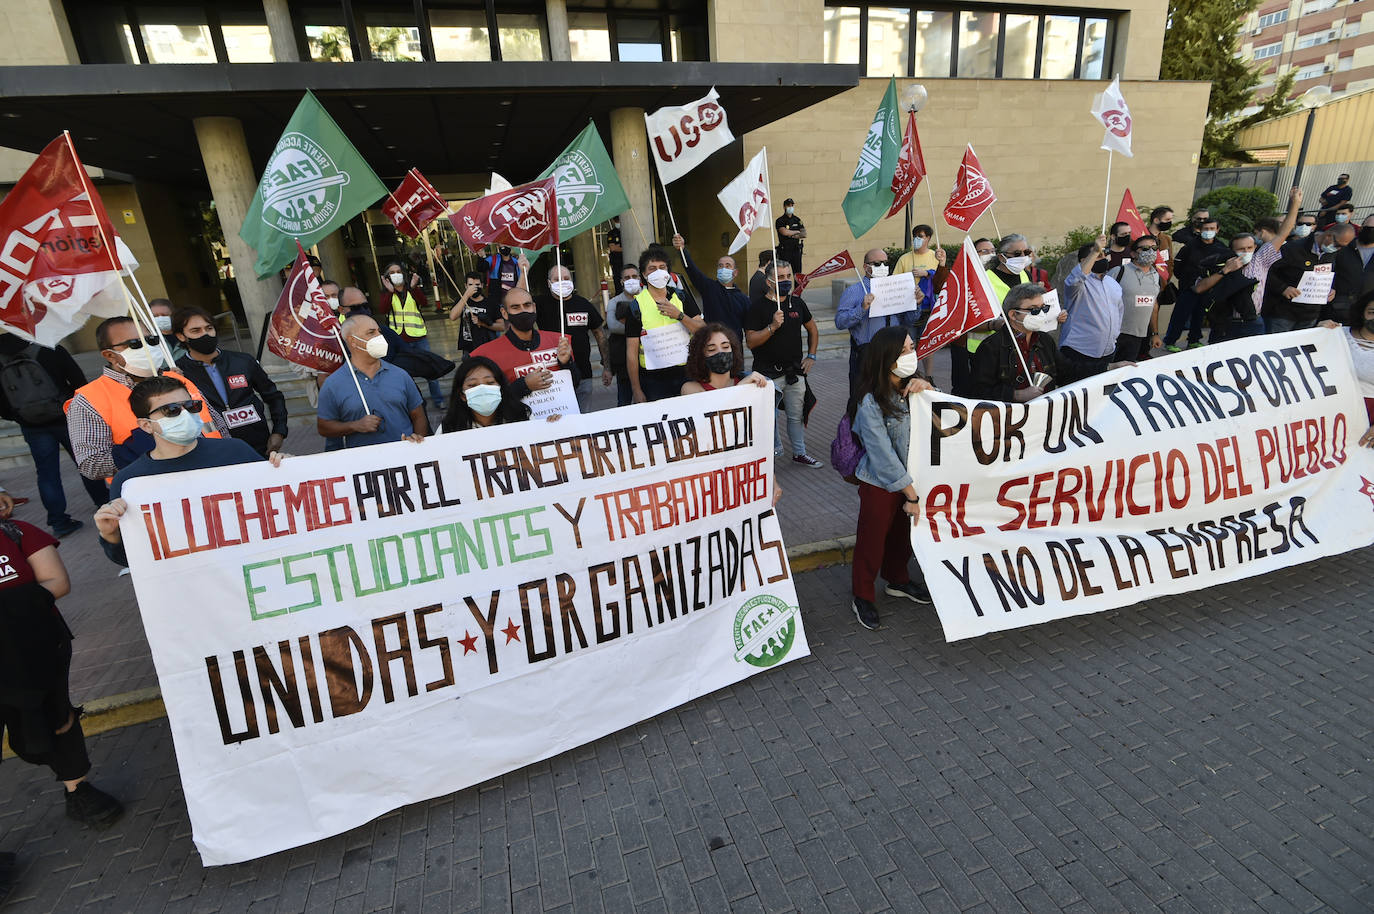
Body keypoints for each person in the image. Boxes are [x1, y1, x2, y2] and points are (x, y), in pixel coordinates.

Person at [0, 506, 124, 834]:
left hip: (37, 647)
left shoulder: (17, 532)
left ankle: (78, 790)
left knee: (58, 719)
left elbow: (57, 581)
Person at [93, 376, 277, 568]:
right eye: (171, 410)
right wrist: (110, 535)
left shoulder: (235, 451)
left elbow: (278, 508)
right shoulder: (130, 483)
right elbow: (134, 560)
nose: (185, 415)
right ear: (146, 425)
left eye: (191, 406)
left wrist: (283, 470)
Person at [66, 316, 227, 483]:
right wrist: (138, 449)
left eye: (151, 340)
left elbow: (219, 427)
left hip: (214, 474)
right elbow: (90, 465)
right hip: (152, 488)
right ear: (110, 355)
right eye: (135, 344)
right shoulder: (89, 399)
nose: (147, 348)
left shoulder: (179, 379)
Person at [845, 326, 933, 630]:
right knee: (872, 540)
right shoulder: (869, 400)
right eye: (903, 351)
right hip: (880, 483)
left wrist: (929, 390)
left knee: (903, 535)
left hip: (914, 479)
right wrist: (911, 494)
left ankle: (898, 580)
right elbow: (882, 455)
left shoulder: (916, 389)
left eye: (912, 348)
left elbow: (943, 420)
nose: (911, 355)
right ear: (887, 357)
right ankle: (863, 595)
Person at [0, 334, 107, 537]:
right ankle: (103, 503)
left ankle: (59, 522)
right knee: (84, 460)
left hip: (31, 424)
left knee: (47, 473)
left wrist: (19, 416)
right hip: (65, 415)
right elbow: (77, 379)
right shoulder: (49, 346)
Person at [173, 307, 287, 456]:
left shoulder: (243, 361)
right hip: (214, 449)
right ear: (181, 336)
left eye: (209, 328)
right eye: (196, 331)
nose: (205, 334)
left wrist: (279, 431)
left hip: (259, 445)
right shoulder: (179, 373)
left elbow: (273, 396)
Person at [745, 260, 822, 467]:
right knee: (768, 419)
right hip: (767, 375)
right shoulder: (757, 307)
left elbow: (812, 329)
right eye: (780, 277)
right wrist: (772, 327)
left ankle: (799, 453)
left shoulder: (797, 303)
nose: (786, 281)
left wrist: (811, 356)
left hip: (794, 373)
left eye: (788, 276)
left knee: (796, 416)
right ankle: (767, 458)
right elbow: (751, 341)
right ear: (768, 281)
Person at [316, 314, 429, 449]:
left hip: (403, 456)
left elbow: (418, 416)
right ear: (352, 341)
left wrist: (417, 444)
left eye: (379, 331)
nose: (379, 337)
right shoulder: (333, 384)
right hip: (362, 460)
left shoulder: (400, 375)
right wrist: (354, 426)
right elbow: (324, 427)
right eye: (371, 333)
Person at [835, 247, 930, 385]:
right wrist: (862, 309)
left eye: (885, 263)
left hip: (895, 352)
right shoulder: (854, 291)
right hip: (867, 352)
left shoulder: (896, 287)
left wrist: (916, 304)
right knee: (864, 392)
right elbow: (840, 322)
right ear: (866, 267)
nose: (883, 267)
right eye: (877, 264)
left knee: (894, 391)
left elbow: (909, 320)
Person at [624, 246, 704, 402]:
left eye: (662, 267)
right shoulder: (636, 306)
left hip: (686, 375)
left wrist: (680, 316)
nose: (658, 272)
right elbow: (631, 354)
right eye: (652, 268)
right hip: (653, 382)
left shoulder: (681, 297)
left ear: (668, 272)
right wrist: (636, 389)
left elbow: (703, 330)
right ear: (644, 274)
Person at [471, 286, 576, 402]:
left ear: (534, 307)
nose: (523, 311)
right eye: (515, 307)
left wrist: (567, 363)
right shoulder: (486, 354)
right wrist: (524, 385)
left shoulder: (558, 341)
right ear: (504, 313)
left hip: (561, 411)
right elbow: (485, 401)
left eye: (527, 305)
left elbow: (575, 383)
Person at [968, 283, 1069, 402]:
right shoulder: (991, 347)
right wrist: (1015, 395)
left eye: (1044, 308)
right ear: (1013, 315)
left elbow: (1067, 374)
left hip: (1045, 410)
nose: (1042, 314)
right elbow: (978, 391)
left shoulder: (1045, 340)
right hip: (1011, 412)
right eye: (1034, 310)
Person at [535, 264, 609, 411]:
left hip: (583, 375)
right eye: (557, 279)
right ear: (549, 283)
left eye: (566, 278)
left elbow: (600, 335)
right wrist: (522, 270)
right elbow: (518, 303)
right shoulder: (539, 304)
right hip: (553, 378)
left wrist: (607, 367)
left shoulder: (583, 304)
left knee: (583, 418)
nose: (562, 282)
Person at [379, 260, 443, 409]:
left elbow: (424, 302)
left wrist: (414, 288)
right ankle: (416, 403)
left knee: (430, 369)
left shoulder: (411, 289)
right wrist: (389, 292)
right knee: (404, 374)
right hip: (399, 340)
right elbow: (382, 309)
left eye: (398, 272)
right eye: (392, 273)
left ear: (403, 274)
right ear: (387, 277)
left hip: (418, 336)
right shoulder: (387, 293)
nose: (396, 275)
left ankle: (438, 400)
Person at [1061, 238, 1128, 381]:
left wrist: (1114, 336)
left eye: (1103, 255)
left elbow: (1119, 313)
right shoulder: (1078, 284)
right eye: (1098, 255)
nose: (1103, 258)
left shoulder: (1112, 283)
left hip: (1108, 352)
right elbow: (1075, 280)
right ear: (1084, 260)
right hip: (1079, 352)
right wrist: (1095, 251)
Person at [1163, 214, 1228, 351]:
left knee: (1200, 315)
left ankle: (1194, 340)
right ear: (1200, 230)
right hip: (1188, 287)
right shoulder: (1191, 245)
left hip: (1209, 288)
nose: (1208, 231)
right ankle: (1170, 341)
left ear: (1217, 230)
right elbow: (1178, 265)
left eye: (1212, 228)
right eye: (1206, 228)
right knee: (1180, 315)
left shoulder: (1221, 248)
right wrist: (1185, 280)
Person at [673, 233, 749, 341]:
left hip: (734, 346)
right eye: (720, 266)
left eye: (728, 266)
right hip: (711, 343)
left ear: (735, 272)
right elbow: (692, 270)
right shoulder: (709, 288)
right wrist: (682, 250)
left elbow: (749, 329)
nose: (723, 268)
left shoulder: (743, 299)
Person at [1267, 225, 1340, 332]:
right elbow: (1267, 271)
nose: (1338, 249)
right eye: (1338, 245)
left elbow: (1330, 273)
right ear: (1328, 236)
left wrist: (1331, 288)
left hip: (1311, 314)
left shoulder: (1331, 253)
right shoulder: (1293, 248)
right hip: (1283, 312)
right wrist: (1283, 288)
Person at [1196, 233, 1265, 341]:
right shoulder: (1217, 264)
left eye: (1249, 248)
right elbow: (1199, 288)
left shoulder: (1260, 262)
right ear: (1232, 250)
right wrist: (1226, 270)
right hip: (1225, 324)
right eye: (1241, 249)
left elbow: (1280, 236)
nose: (1246, 252)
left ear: (1255, 247)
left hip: (1253, 322)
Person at [440, 355, 531, 433]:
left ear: (501, 388)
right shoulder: (449, 428)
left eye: (490, 382)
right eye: (472, 385)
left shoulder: (522, 416)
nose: (482, 389)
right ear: (462, 395)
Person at [1110, 236, 1163, 361]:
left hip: (1137, 336)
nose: (1150, 251)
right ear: (1133, 254)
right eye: (1145, 248)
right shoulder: (1119, 272)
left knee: (1127, 367)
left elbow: (1154, 306)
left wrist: (1155, 334)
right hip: (1114, 333)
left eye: (1154, 248)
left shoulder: (1155, 276)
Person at [680, 324, 770, 394]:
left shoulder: (750, 383)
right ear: (700, 356)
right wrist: (740, 388)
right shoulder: (691, 389)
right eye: (712, 349)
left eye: (726, 347)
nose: (720, 352)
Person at [1336, 291, 1374, 432]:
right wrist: (1318, 332)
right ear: (1362, 311)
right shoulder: (1337, 334)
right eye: (1372, 312)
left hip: (1369, 417)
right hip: (1330, 412)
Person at [604, 264, 641, 407]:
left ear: (640, 278)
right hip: (623, 361)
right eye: (627, 277)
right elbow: (613, 326)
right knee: (624, 401)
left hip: (648, 359)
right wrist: (642, 330)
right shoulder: (614, 302)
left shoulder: (648, 296)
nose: (631, 280)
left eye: (634, 277)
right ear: (621, 282)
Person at [449, 270, 504, 356]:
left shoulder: (491, 303)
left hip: (487, 346)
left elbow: (501, 326)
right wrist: (466, 296)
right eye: (470, 285)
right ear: (466, 286)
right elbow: (453, 317)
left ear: (482, 285)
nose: (474, 288)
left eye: (477, 285)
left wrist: (483, 324)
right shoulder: (461, 301)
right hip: (468, 347)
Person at [775, 198, 805, 275]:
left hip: (796, 250)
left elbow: (803, 234)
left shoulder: (797, 220)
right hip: (785, 250)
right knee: (783, 272)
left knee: (798, 273)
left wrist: (790, 234)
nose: (790, 207)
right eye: (788, 205)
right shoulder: (780, 220)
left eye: (792, 205)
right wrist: (796, 232)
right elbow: (784, 232)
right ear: (784, 207)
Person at [607, 217, 623, 284]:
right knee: (618, 281)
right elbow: (613, 248)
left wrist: (619, 247)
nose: (617, 222)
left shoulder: (626, 231)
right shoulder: (612, 233)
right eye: (616, 220)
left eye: (618, 220)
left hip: (627, 260)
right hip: (616, 262)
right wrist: (624, 248)